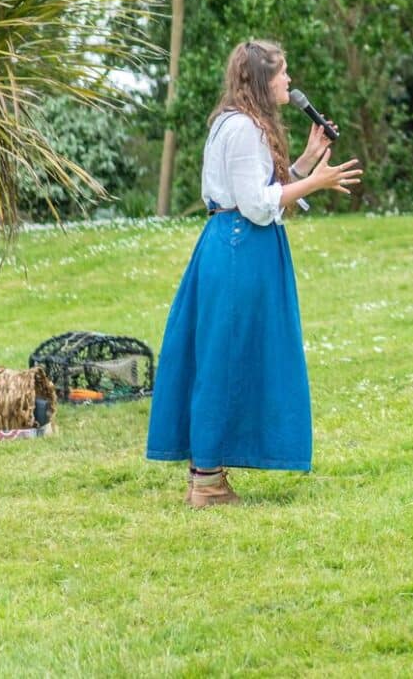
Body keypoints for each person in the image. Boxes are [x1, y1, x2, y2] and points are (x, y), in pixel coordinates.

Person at [147, 39, 363, 508]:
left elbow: (266, 188)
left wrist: (306, 161)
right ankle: (206, 483)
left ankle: (208, 474)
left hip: (239, 245)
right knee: (223, 357)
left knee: (229, 354)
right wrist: (316, 182)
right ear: (263, 80)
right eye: (283, 72)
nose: (289, 80)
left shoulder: (242, 124)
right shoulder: (244, 128)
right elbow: (256, 204)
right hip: (239, 246)